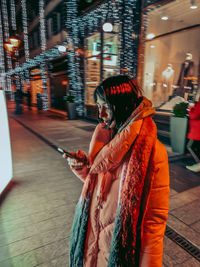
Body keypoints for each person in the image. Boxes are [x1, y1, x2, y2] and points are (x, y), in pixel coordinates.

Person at [65, 75, 170, 266]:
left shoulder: (152, 151)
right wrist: (82, 168)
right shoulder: (107, 137)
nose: (101, 114)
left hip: (117, 249)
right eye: (98, 106)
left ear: (121, 105)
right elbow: (102, 187)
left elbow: (154, 222)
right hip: (94, 240)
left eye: (105, 106)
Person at [186, 98, 200, 172]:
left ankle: (198, 165)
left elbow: (194, 116)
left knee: (190, 146)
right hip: (197, 131)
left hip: (196, 131)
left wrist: (190, 109)